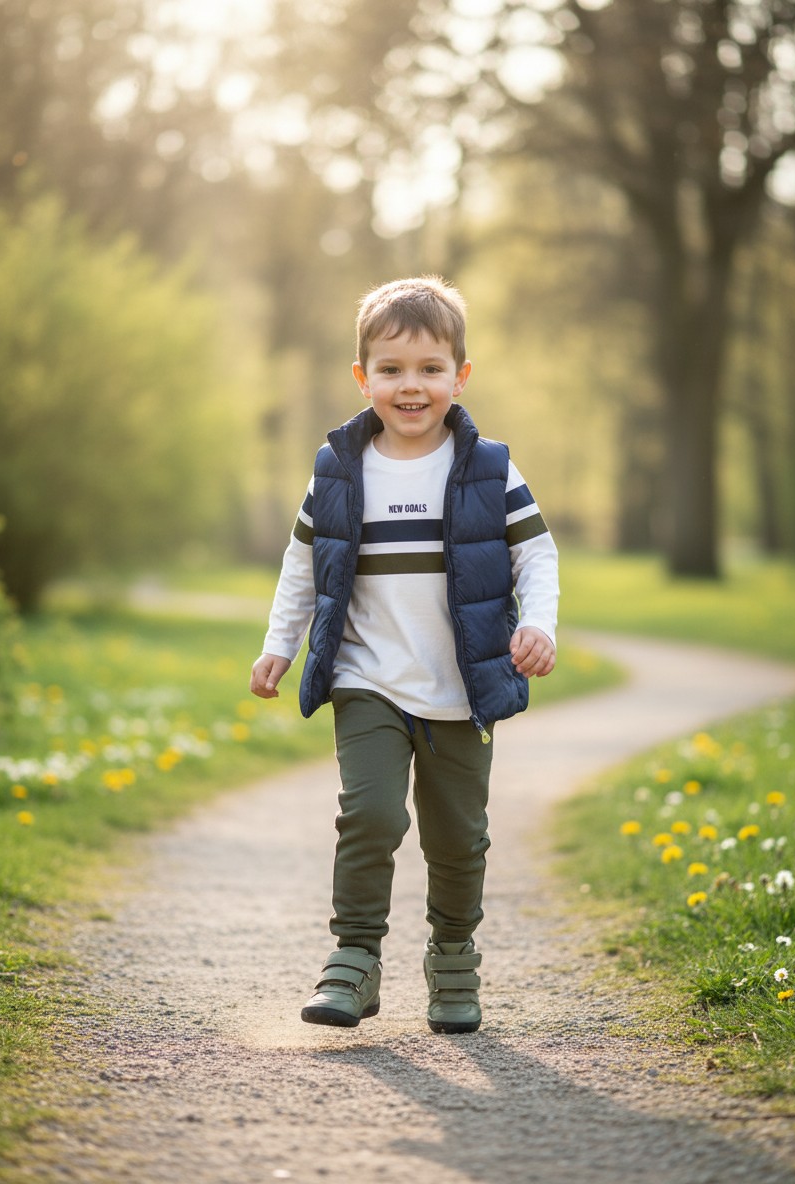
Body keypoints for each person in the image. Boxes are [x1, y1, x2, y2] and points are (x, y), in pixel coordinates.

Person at [250, 275, 558, 1034]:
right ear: (363, 378)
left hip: (462, 688)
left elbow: (537, 556)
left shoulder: (490, 470)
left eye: (429, 369)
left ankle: (453, 961)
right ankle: (352, 961)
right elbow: (301, 566)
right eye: (390, 370)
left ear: (461, 374)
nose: (410, 386)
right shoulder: (338, 472)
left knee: (458, 837)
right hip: (367, 680)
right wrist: (278, 647)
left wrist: (540, 626)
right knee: (371, 815)